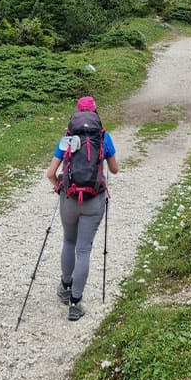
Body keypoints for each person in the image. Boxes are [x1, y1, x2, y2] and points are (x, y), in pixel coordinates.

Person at [46, 96, 118, 321]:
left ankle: (65, 286)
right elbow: (114, 169)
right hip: (94, 200)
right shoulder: (104, 137)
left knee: (69, 241)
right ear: (95, 115)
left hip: (69, 199)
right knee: (83, 249)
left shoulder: (67, 138)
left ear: (76, 115)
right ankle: (76, 303)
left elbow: (50, 173)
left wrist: (59, 184)